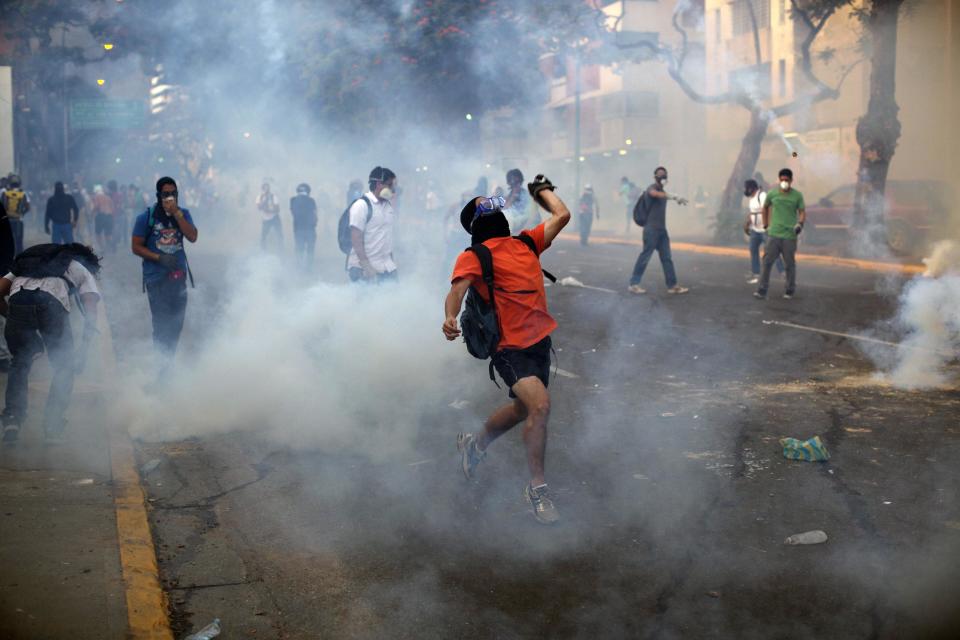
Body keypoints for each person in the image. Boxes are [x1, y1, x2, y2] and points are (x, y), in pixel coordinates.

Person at [443, 174, 571, 525]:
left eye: (495, 207)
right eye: (487, 210)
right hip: (509, 348)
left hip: (539, 342)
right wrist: (450, 316)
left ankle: (475, 445)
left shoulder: (527, 243)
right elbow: (457, 291)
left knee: (521, 408)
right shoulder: (475, 255)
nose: (495, 214)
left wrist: (542, 190)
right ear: (478, 225)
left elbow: (562, 216)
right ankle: (537, 488)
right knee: (540, 405)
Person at [0, 243, 102, 442]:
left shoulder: (29, 263)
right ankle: (52, 425)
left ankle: (12, 420)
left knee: (20, 364)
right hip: (50, 306)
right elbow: (90, 306)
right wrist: (85, 346)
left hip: (19, 301)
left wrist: (12, 316)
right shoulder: (79, 267)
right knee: (64, 367)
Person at [131, 177, 199, 364]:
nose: (169, 197)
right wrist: (159, 258)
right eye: (165, 194)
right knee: (161, 326)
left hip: (178, 279)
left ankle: (166, 363)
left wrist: (177, 213)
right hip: (156, 280)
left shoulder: (183, 213)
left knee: (176, 325)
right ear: (158, 196)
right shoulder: (145, 218)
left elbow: (192, 236)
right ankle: (162, 369)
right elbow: (136, 247)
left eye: (173, 193)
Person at [628, 167, 690, 295]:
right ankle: (634, 284)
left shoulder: (663, 192)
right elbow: (653, 194)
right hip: (651, 230)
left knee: (667, 258)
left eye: (664, 175)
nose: (663, 177)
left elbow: (662, 195)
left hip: (661, 230)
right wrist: (673, 196)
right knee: (645, 256)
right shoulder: (652, 188)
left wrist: (672, 197)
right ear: (655, 176)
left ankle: (672, 285)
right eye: (660, 175)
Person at [754, 168, 805, 300]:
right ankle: (762, 290)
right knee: (767, 262)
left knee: (789, 264)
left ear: (791, 181)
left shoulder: (797, 196)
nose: (784, 182)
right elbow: (764, 207)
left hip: (789, 236)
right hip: (774, 234)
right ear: (779, 180)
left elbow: (802, 212)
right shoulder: (772, 194)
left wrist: (800, 224)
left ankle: (789, 289)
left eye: (786, 180)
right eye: (782, 180)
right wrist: (765, 224)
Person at [347, 166, 397, 284]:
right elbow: (356, 238)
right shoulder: (361, 205)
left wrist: (391, 261)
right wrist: (366, 266)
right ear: (379, 184)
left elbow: (386, 235)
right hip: (363, 270)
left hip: (387, 267)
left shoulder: (388, 206)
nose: (393, 190)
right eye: (390, 185)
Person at [742, 179, 783, 284]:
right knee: (753, 249)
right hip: (755, 230)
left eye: (746, 188)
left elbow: (769, 209)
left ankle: (783, 271)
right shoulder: (752, 199)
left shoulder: (762, 195)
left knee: (772, 251)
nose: (745, 190)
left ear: (752, 188)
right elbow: (753, 213)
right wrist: (747, 224)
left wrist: (768, 226)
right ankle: (756, 273)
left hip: (765, 230)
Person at [290, 183, 318, 272]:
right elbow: (315, 214)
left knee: (299, 248)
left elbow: (293, 212)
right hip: (309, 229)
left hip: (299, 228)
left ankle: (299, 267)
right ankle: (308, 268)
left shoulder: (293, 200)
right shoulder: (311, 200)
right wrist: (314, 223)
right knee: (310, 249)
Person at [1, 174, 31, 255]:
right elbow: (28, 207)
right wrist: (21, 214)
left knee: (6, 241)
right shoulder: (23, 193)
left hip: (6, 222)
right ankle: (18, 259)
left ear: (9, 182)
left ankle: (6, 258)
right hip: (18, 221)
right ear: (19, 183)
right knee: (19, 241)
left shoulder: (4, 192)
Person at [502, 168, 530, 232]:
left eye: (515, 180)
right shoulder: (511, 193)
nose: (512, 182)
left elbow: (506, 207)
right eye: (511, 180)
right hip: (513, 224)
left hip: (520, 225)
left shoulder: (523, 194)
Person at [257, 181, 282, 251]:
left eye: (267, 188)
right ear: (262, 189)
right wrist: (265, 199)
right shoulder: (259, 197)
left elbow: (277, 209)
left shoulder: (274, 196)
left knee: (279, 234)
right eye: (264, 188)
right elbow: (259, 207)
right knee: (263, 236)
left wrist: (269, 210)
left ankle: (281, 250)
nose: (266, 190)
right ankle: (263, 251)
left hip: (275, 218)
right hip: (265, 219)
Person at [91, 184, 115, 254]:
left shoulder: (96, 197)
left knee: (98, 234)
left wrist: (92, 213)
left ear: (96, 191)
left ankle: (102, 249)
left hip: (101, 216)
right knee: (108, 234)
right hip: (109, 216)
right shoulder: (108, 197)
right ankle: (110, 246)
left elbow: (96, 206)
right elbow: (112, 208)